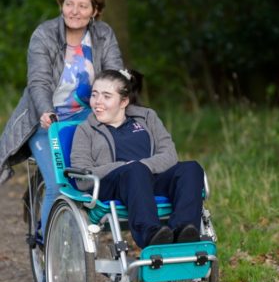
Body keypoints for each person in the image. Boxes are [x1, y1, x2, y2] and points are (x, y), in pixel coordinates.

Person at [0, 0, 123, 239]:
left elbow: (114, 74)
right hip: (47, 121)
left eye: (83, 6)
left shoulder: (103, 34)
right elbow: (39, 81)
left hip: (88, 118)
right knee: (58, 185)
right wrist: (46, 110)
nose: (75, 12)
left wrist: (121, 96)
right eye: (69, 4)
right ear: (61, 5)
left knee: (102, 176)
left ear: (95, 11)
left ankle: (93, 234)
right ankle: (49, 248)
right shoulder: (44, 35)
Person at [70, 69, 203, 248]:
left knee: (191, 168)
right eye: (94, 95)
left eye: (106, 96)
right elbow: (81, 178)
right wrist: (124, 167)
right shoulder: (86, 130)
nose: (97, 102)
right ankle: (151, 234)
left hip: (151, 178)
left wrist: (142, 166)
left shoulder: (147, 117)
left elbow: (169, 155)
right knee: (135, 171)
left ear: (124, 101)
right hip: (113, 185)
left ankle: (184, 231)